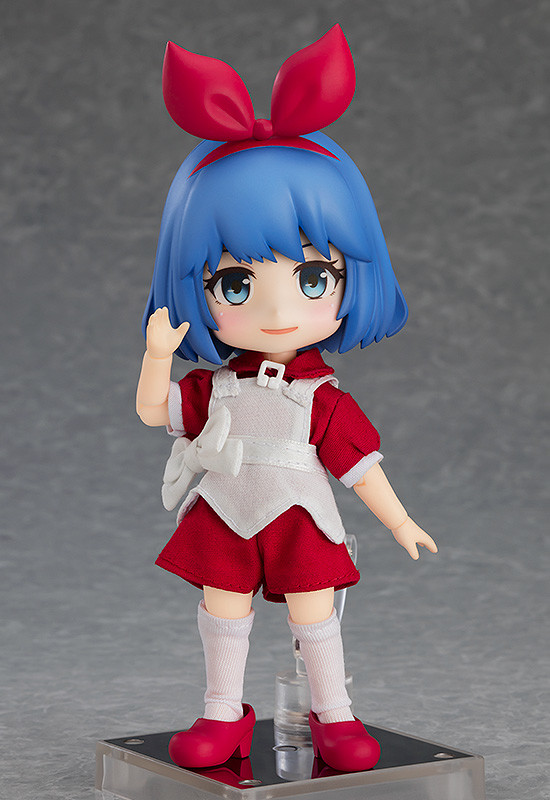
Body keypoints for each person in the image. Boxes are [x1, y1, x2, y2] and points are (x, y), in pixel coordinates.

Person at [136, 26, 437, 772]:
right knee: (222, 607)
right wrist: (156, 355)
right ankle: (221, 715)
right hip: (226, 510)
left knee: (315, 613)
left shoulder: (322, 398)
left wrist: (399, 520)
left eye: (312, 280)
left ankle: (335, 715)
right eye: (236, 284)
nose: (278, 312)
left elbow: (359, 465)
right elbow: (154, 412)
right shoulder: (214, 387)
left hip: (301, 513)